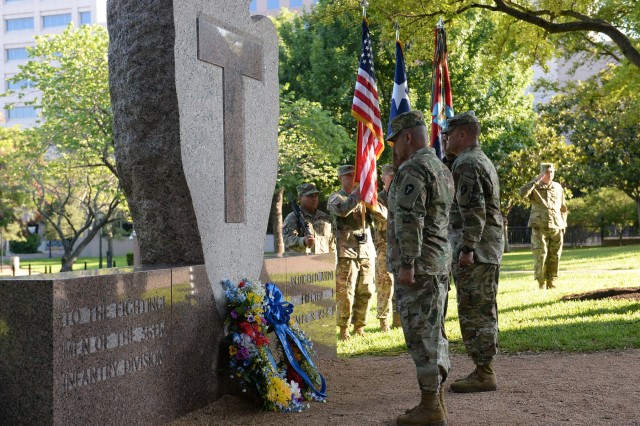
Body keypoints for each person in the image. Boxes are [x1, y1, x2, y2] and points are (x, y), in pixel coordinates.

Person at [385, 110, 453, 426]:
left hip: (420, 266)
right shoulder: (440, 167)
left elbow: (411, 220)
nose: (393, 149)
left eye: (395, 141)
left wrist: (408, 264)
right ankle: (435, 399)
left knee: (421, 333)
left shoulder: (413, 169)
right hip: (438, 262)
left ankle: (430, 406)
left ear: (408, 137)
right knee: (435, 331)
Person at [442, 110, 503, 394]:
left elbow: (474, 211)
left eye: (449, 134)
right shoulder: (478, 159)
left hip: (476, 250)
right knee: (483, 307)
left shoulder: (467, 164)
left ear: (463, 134)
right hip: (487, 246)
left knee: (474, 309)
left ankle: (483, 371)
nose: (444, 138)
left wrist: (467, 248)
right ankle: (483, 368)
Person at [328, 165, 381, 341]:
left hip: (366, 250)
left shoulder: (366, 197)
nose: (352, 178)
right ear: (340, 178)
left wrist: (372, 205)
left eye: (354, 175)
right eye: (348, 176)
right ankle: (343, 329)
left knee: (366, 290)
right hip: (347, 251)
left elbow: (385, 216)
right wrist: (357, 195)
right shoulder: (336, 197)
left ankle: (360, 326)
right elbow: (342, 210)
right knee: (346, 292)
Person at [519, 163, 568, 289]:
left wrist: (564, 224)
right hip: (539, 226)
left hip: (557, 226)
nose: (550, 174)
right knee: (541, 254)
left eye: (552, 172)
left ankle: (551, 281)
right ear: (541, 173)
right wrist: (535, 181)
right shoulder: (534, 187)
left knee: (555, 255)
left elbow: (563, 208)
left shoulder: (558, 187)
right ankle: (541, 283)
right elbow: (521, 194)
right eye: (547, 172)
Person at [372, 164, 401, 332]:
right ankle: (383, 323)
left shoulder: (401, 195)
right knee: (385, 284)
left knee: (400, 285)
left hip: (401, 246)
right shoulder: (379, 198)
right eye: (389, 176)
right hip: (384, 246)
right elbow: (383, 216)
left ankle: (399, 321)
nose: (392, 179)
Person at [282, 183, 335, 254]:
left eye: (316, 195)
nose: (314, 199)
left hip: (323, 261)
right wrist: (303, 241)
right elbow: (287, 240)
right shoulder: (292, 218)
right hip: (302, 262)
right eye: (310, 196)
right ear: (300, 198)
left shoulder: (325, 218)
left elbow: (331, 242)